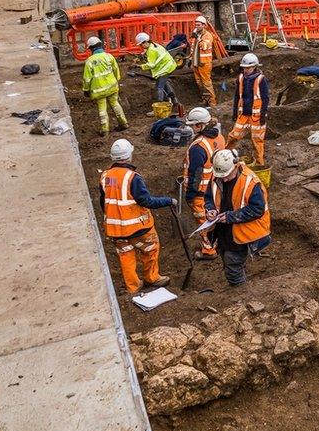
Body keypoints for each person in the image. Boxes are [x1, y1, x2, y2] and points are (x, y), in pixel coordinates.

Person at [99, 139, 176, 295]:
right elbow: (146, 201)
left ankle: (133, 287)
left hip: (115, 229)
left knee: (126, 254)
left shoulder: (105, 176)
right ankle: (152, 278)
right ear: (129, 156)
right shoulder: (133, 177)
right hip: (138, 227)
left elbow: (104, 201)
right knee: (150, 248)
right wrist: (168, 200)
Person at [204, 149, 272, 286]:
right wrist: (210, 209)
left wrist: (231, 216)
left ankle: (240, 291)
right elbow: (209, 196)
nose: (224, 179)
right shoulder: (219, 174)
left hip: (242, 233)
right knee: (225, 256)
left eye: (227, 176)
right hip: (223, 229)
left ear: (235, 166)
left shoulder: (251, 183)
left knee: (232, 264)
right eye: (221, 176)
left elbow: (257, 209)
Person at [182, 107, 224, 261]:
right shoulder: (219, 137)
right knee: (216, 216)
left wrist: (190, 195)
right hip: (217, 187)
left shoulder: (198, 147)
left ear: (200, 125)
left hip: (202, 192)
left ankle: (209, 251)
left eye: (193, 125)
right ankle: (218, 242)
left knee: (204, 221)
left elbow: (196, 175)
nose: (191, 128)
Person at [227, 53, 270, 167]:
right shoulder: (241, 78)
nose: (246, 70)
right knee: (233, 136)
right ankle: (226, 157)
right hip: (243, 115)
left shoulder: (261, 79)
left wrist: (262, 116)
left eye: (248, 68)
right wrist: (235, 113)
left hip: (256, 116)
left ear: (255, 66)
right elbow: (237, 96)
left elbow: (265, 98)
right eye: (244, 68)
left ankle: (259, 165)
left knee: (257, 141)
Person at [81, 36, 128, 137]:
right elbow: (116, 69)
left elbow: (87, 79)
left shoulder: (90, 61)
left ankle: (105, 130)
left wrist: (86, 90)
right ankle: (123, 123)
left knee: (102, 109)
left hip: (99, 90)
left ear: (91, 48)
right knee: (115, 104)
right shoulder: (109, 56)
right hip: (112, 86)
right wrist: (117, 80)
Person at [135, 32, 179, 106]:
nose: (141, 47)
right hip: (169, 65)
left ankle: (160, 106)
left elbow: (151, 65)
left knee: (159, 87)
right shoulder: (154, 45)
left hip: (164, 69)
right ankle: (175, 101)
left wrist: (139, 66)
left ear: (145, 42)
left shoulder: (151, 50)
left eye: (141, 45)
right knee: (164, 83)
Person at [191, 15, 217, 106]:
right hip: (196, 63)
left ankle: (212, 102)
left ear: (204, 25)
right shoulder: (196, 35)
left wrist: (198, 38)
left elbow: (204, 47)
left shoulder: (208, 36)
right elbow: (193, 49)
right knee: (199, 82)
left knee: (206, 83)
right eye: (196, 25)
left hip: (204, 63)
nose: (196, 27)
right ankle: (205, 99)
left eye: (198, 25)